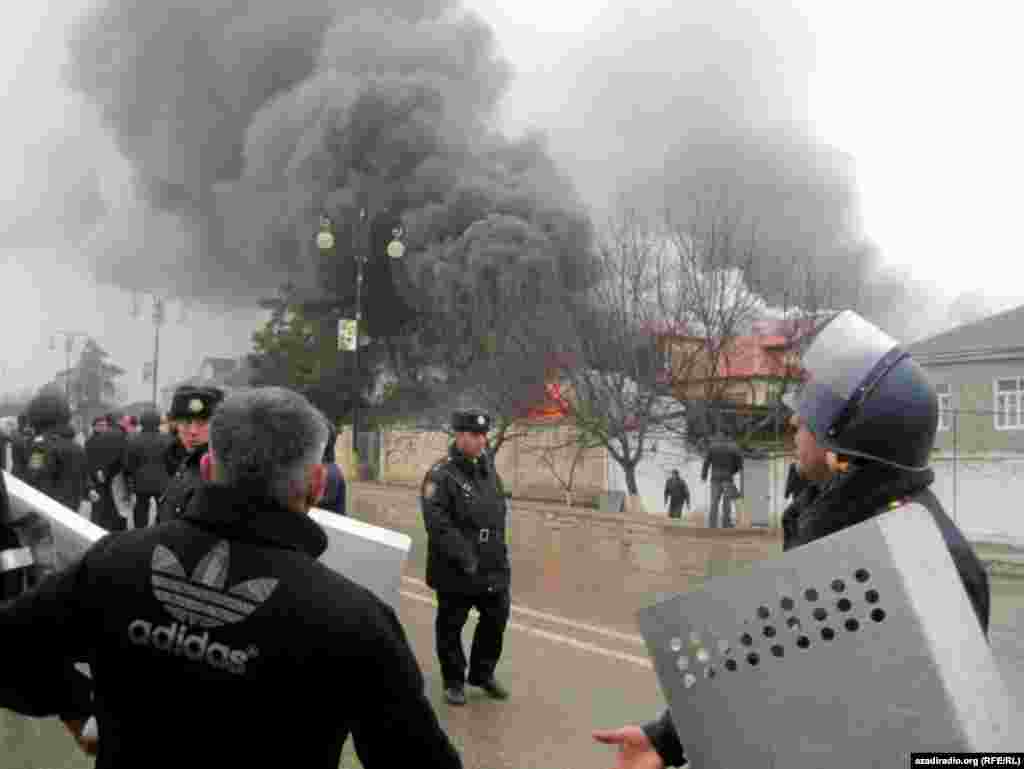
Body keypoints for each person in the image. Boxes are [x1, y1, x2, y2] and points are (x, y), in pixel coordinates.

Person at [592, 310, 991, 768]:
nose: (794, 423)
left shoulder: (936, 563)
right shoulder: (825, 514)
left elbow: (934, 735)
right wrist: (666, 739)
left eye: (810, 418)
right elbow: (764, 652)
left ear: (842, 450)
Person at [0, 386, 464, 768]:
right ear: (318, 485)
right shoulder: (355, 620)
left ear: (206, 468)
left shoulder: (114, 564)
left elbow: (10, 647)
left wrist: (79, 710)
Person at [421, 409, 511, 706]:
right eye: (474, 435)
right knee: (451, 624)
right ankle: (454, 681)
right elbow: (437, 523)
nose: (481, 440)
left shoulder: (487, 469)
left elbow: (497, 515)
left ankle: (483, 673)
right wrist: (465, 556)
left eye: (484, 435)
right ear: (458, 435)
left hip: (491, 564)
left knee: (496, 619)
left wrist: (499, 556)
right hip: (457, 566)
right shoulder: (440, 474)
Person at [10, 390, 90, 586]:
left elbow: (32, 478)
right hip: (69, 515)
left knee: (38, 574)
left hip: (42, 522)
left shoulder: (39, 447)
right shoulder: (76, 448)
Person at [156, 385, 223, 524]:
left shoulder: (218, 468)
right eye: (186, 423)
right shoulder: (179, 461)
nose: (193, 431)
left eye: (202, 423)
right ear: (176, 426)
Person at [121, 409, 174, 529]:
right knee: (162, 509)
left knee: (141, 508)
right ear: (158, 422)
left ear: (142, 422)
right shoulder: (168, 439)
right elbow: (173, 461)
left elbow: (128, 464)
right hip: (162, 481)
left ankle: (140, 532)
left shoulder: (133, 439)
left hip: (140, 481)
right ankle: (160, 532)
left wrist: (130, 476)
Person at [84, 413, 129, 532]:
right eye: (99, 425)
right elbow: (89, 461)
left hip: (107, 476)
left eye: (104, 425)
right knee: (98, 507)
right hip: (97, 478)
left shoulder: (107, 438)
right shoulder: (90, 441)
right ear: (93, 427)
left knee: (110, 506)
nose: (102, 427)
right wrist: (96, 472)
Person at [700, 431, 743, 528]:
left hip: (715, 478)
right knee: (726, 502)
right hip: (727, 478)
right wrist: (734, 471)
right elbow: (739, 463)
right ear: (727, 436)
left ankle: (712, 524)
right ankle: (726, 523)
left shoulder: (712, 447)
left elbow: (706, 463)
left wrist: (704, 476)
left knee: (714, 501)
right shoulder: (733, 447)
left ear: (718, 436)